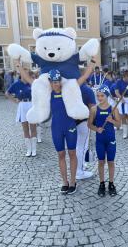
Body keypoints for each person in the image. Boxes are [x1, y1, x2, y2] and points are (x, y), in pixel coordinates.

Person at [18, 60, 95, 195]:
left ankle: (73, 182)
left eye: (57, 81)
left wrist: (93, 62)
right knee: (60, 154)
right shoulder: (47, 93)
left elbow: (83, 77)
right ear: (50, 82)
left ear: (60, 81)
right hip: (56, 128)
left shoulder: (68, 90)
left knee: (72, 153)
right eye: (53, 82)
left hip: (70, 126)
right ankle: (64, 182)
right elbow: (30, 81)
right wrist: (18, 66)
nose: (56, 84)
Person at [88, 85, 121, 197]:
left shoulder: (113, 109)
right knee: (101, 162)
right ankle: (102, 183)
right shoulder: (94, 109)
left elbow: (119, 125)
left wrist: (112, 120)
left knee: (111, 162)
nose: (99, 98)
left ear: (107, 96)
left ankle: (111, 184)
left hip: (111, 140)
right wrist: (97, 129)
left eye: (102, 96)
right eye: (98, 96)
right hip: (100, 141)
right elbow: (89, 124)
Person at [6, 67, 37, 157]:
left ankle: (34, 149)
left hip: (31, 105)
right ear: (21, 74)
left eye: (27, 73)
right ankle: (29, 149)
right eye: (24, 73)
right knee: (25, 129)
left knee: (33, 128)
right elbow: (7, 93)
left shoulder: (32, 83)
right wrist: (15, 101)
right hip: (22, 105)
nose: (26, 75)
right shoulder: (16, 84)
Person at [76, 83, 96, 180]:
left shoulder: (68, 87)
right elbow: (93, 107)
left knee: (76, 146)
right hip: (83, 121)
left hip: (70, 121)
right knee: (82, 146)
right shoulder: (87, 89)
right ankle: (79, 170)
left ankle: (80, 166)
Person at [115, 70, 128, 139]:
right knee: (123, 116)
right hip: (122, 99)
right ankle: (125, 133)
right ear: (124, 76)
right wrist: (121, 98)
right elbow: (116, 92)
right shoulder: (119, 82)